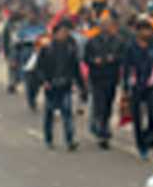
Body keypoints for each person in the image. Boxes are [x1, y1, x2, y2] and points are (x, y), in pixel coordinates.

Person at [34, 19, 82, 150]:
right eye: (62, 32)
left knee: (67, 112)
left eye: (66, 32)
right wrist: (44, 81)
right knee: (49, 113)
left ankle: (70, 139)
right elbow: (39, 68)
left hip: (65, 85)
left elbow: (75, 68)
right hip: (51, 85)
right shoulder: (46, 49)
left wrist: (81, 85)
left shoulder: (70, 49)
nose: (65, 34)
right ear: (55, 34)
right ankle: (48, 138)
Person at [85, 11, 128, 149]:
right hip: (97, 77)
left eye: (108, 24)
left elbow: (123, 57)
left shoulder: (118, 40)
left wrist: (114, 58)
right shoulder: (92, 41)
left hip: (111, 76)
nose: (105, 27)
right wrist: (93, 60)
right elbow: (86, 58)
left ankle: (103, 125)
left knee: (108, 104)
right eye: (103, 24)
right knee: (100, 104)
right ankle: (102, 131)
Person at [125, 17, 153, 159]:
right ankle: (141, 145)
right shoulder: (130, 47)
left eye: (148, 30)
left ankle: (148, 134)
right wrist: (126, 86)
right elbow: (127, 67)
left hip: (152, 85)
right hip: (136, 85)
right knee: (137, 117)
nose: (147, 33)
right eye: (144, 30)